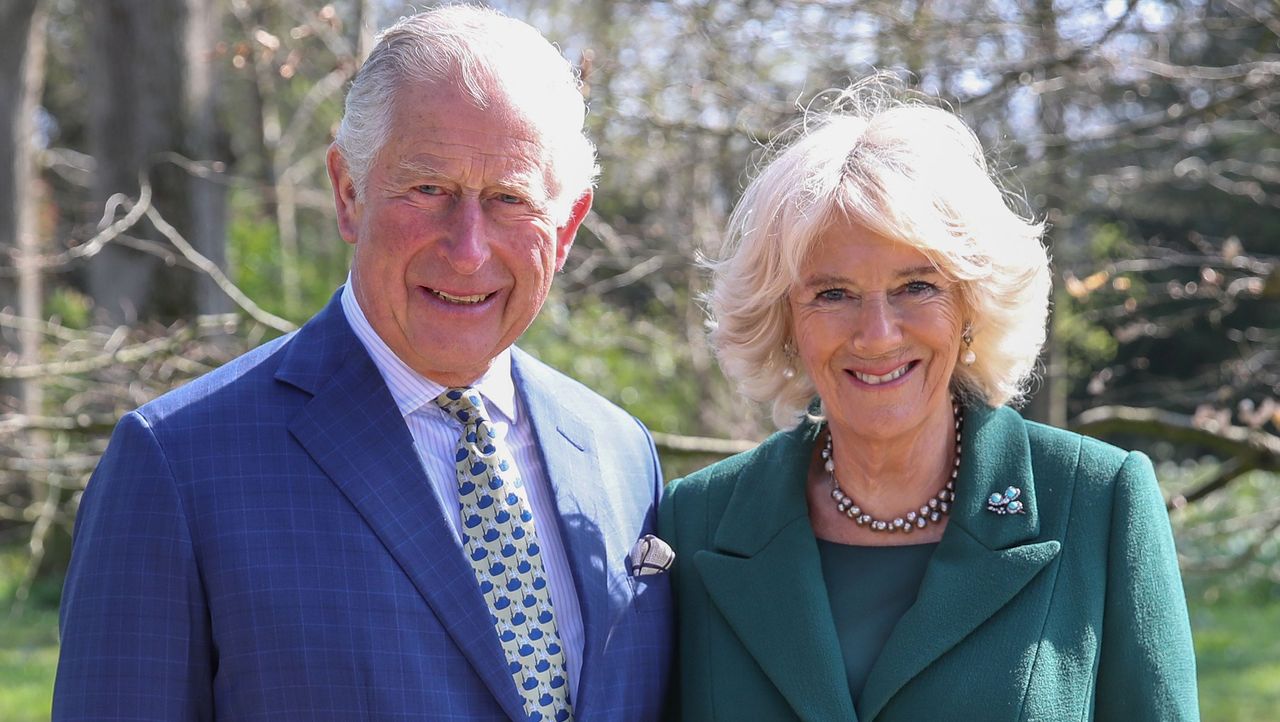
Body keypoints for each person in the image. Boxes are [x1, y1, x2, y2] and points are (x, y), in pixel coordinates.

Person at [53, 6, 672, 721]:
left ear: (565, 229)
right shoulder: (178, 466)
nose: (468, 248)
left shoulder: (620, 455)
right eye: (428, 189)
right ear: (349, 193)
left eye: (509, 199)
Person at [660, 79, 1198, 721]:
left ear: (971, 306)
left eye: (916, 286)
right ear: (783, 322)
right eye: (832, 293)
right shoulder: (694, 523)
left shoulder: (1098, 503)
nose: (878, 334)